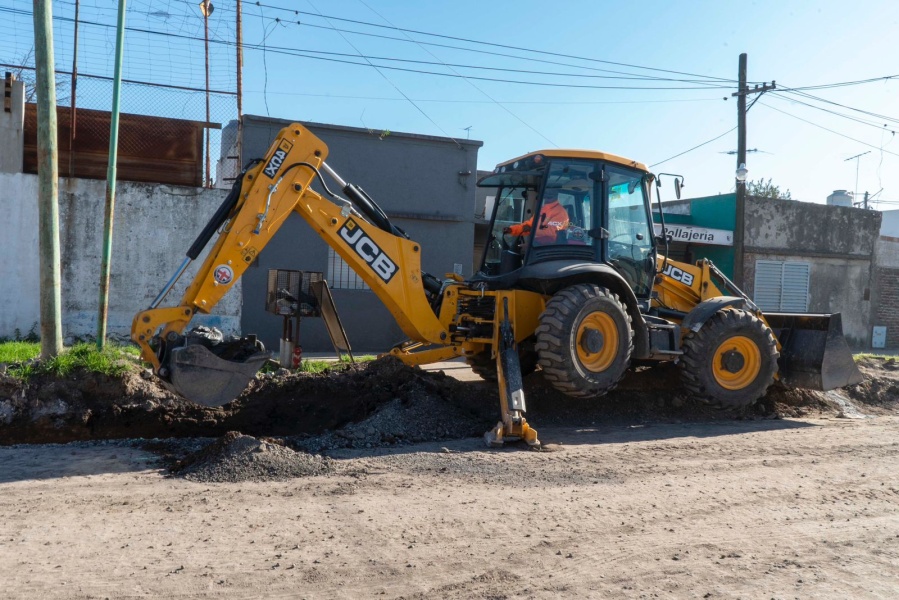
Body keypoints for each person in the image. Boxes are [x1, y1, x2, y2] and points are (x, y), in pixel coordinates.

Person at [503, 192, 570, 246]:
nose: (546, 198)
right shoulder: (542, 210)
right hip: (537, 245)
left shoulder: (561, 212)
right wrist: (511, 230)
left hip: (551, 249)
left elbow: (553, 233)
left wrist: (532, 229)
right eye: (546, 196)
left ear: (555, 196)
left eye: (549, 196)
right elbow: (529, 225)